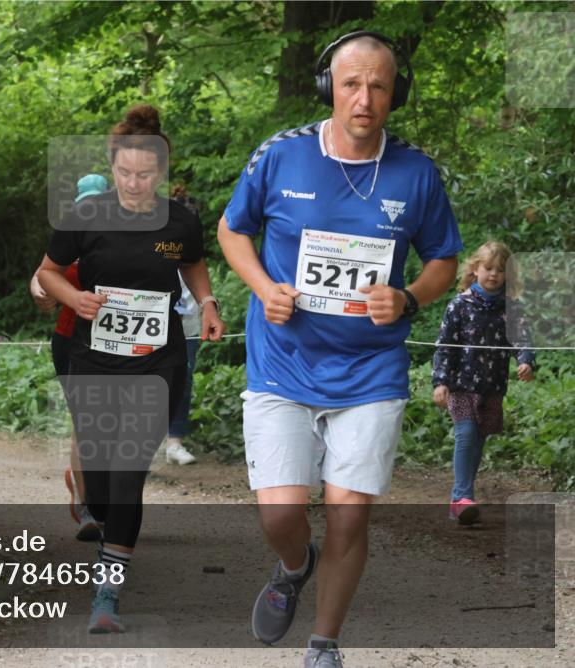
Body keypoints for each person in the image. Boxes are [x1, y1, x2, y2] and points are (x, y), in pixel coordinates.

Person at [216, 32, 462, 667]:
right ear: (330, 86)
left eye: (379, 86)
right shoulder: (281, 156)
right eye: (352, 83)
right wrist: (265, 287)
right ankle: (296, 563)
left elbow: (443, 261)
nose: (365, 98)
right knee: (279, 513)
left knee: (349, 515)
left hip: (370, 371)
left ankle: (323, 645)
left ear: (394, 94)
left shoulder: (416, 171)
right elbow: (232, 228)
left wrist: (407, 298)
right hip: (283, 363)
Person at [37, 104, 225, 633]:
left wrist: (207, 302)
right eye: (126, 173)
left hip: (157, 362)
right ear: (113, 167)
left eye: (145, 175)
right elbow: (48, 274)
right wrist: (75, 296)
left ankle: (108, 594)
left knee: (127, 475)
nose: (135, 184)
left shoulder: (180, 219)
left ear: (159, 173)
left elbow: (192, 263)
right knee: (99, 478)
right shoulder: (85, 215)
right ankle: (92, 506)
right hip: (94, 361)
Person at [30, 173, 109, 542]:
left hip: (122, 342)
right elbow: (41, 275)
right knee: (86, 420)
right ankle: (87, 506)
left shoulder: (124, 235)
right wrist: (40, 293)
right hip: (71, 339)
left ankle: (108, 501)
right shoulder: (69, 235)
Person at [432, 241, 535, 525]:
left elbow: (522, 340)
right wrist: (441, 381)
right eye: (488, 268)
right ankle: (461, 498)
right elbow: (445, 346)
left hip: (492, 385)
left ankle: (463, 497)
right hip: (461, 384)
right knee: (465, 434)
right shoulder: (459, 304)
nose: (493, 274)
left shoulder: (511, 308)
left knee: (477, 440)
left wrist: (526, 361)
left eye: (500, 270)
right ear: (475, 268)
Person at [165, 184, 202, 465]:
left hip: (188, 322)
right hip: (155, 322)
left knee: (183, 380)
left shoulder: (195, 252)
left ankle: (174, 442)